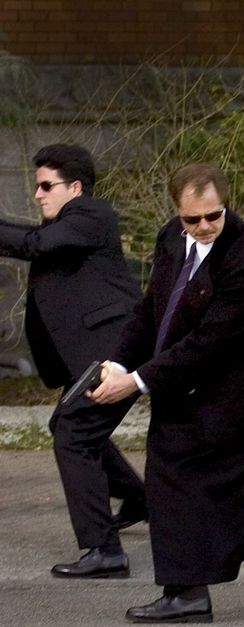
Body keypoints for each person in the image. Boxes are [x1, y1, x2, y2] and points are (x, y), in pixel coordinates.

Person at [90, 164, 244, 623]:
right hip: (189, 386)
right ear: (177, 213)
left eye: (213, 216)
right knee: (235, 495)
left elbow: (209, 342)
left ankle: (186, 593)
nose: (204, 226)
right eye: (193, 219)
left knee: (173, 484)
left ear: (229, 206)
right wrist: (119, 360)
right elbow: (151, 309)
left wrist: (138, 381)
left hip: (238, 394)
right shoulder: (171, 239)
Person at [0, 144, 146, 579]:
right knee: (69, 426)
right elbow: (30, 237)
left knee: (74, 434)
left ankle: (105, 550)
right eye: (37, 186)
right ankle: (139, 499)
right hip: (96, 353)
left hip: (114, 351)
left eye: (47, 185)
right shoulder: (69, 224)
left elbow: (34, 242)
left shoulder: (93, 215)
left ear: (76, 187)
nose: (38, 194)